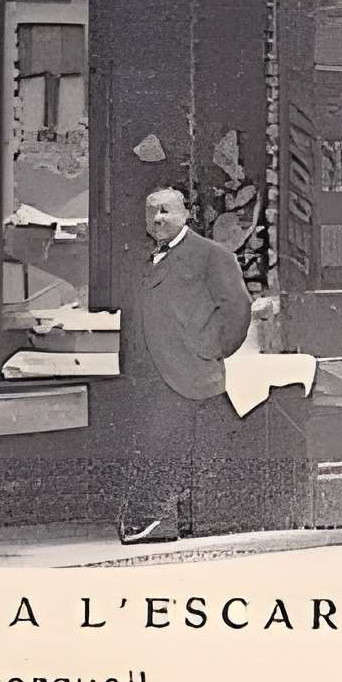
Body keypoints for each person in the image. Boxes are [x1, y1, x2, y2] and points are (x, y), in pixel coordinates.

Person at [117, 184, 253, 544]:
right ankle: (151, 520)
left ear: (185, 214)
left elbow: (237, 310)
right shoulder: (144, 258)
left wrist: (206, 350)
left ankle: (155, 521)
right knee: (152, 442)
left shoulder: (212, 255)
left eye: (166, 210)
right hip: (149, 374)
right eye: (152, 212)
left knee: (165, 443)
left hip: (187, 373)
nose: (158, 219)